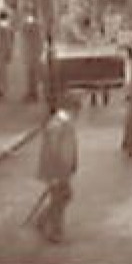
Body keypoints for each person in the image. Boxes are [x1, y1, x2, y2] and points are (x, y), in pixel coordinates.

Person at [35, 93, 80, 244]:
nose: (77, 115)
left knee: (62, 196)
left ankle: (43, 220)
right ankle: (54, 231)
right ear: (70, 109)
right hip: (56, 170)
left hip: (61, 170)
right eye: (76, 111)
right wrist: (57, 173)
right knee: (61, 197)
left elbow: (68, 149)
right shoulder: (58, 125)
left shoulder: (63, 123)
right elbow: (54, 151)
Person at [20, 12, 46, 104]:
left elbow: (38, 42)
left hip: (33, 55)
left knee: (33, 75)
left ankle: (33, 93)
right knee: (32, 75)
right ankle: (32, 93)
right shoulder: (36, 27)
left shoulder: (34, 27)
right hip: (33, 55)